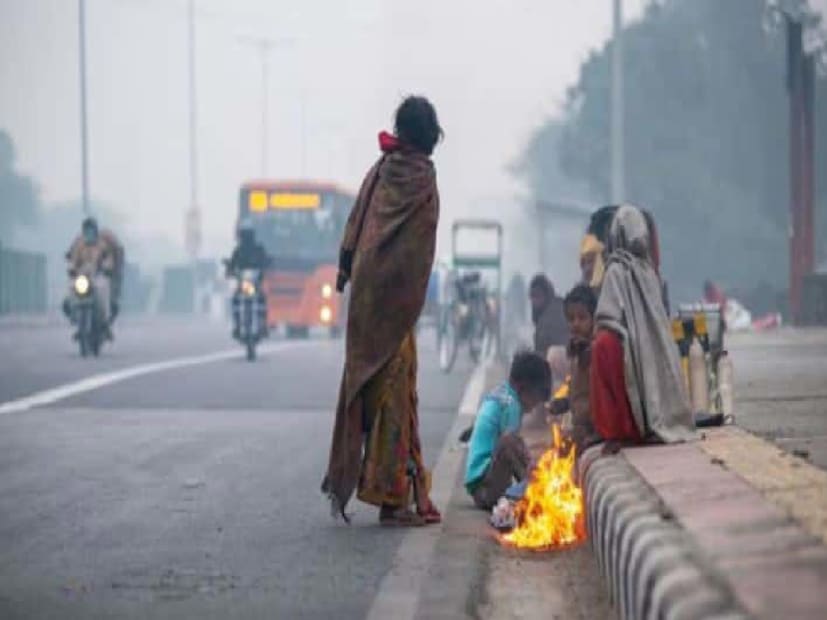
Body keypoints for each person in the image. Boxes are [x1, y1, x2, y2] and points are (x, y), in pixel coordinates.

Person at [322, 96, 443, 527]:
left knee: (367, 385)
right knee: (395, 391)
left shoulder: (381, 170)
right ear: (429, 135)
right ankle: (393, 500)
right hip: (393, 302)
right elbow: (418, 250)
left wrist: (346, 266)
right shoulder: (421, 177)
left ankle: (390, 488)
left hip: (366, 296)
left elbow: (356, 225)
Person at [590, 205, 695, 450]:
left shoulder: (617, 269)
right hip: (645, 353)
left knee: (603, 345)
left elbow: (606, 318)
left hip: (626, 351)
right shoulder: (649, 272)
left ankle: (618, 430)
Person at [465, 351, 551, 510]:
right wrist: (531, 467)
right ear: (523, 388)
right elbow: (511, 443)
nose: (532, 409)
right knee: (511, 443)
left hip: (481, 485)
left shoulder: (501, 394)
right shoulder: (511, 405)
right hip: (485, 489)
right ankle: (533, 489)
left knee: (515, 445)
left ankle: (529, 486)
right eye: (535, 400)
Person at [563, 284, 600, 452]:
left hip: (596, 433)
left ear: (594, 318)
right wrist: (563, 403)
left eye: (582, 317)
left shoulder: (599, 351)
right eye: (571, 319)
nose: (575, 324)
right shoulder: (575, 352)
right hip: (580, 431)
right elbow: (579, 397)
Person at [64, 217, 115, 336]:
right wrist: (71, 268)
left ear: (96, 231)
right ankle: (74, 316)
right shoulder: (79, 244)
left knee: (103, 289)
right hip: (82, 277)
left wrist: (107, 267)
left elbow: (108, 258)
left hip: (97, 276)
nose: (89, 233)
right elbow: (72, 259)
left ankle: (105, 320)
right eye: (87, 230)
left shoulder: (102, 245)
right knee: (70, 292)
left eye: (91, 230)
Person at [226, 222, 270, 339]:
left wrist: (265, 268)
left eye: (248, 234)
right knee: (235, 300)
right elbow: (232, 264)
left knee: (262, 300)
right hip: (243, 282)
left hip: (255, 282)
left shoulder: (258, 249)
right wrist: (229, 270)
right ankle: (237, 325)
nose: (246, 237)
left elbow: (265, 261)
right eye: (245, 234)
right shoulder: (238, 251)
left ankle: (263, 324)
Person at [529, 274, 567, 358]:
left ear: (547, 295)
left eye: (537, 296)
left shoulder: (551, 316)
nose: (534, 301)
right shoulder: (545, 314)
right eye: (532, 296)